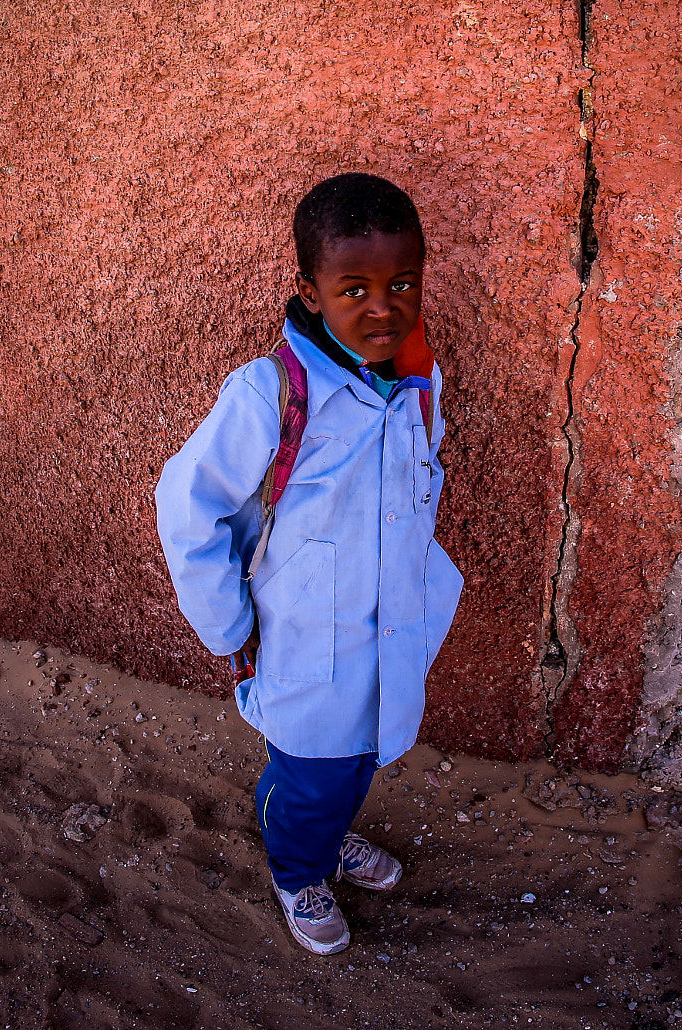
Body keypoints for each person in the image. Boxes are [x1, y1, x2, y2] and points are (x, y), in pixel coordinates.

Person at [155, 172, 464, 956]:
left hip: (390, 623)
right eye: (353, 288)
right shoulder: (272, 391)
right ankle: (299, 870)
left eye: (402, 283)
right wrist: (226, 624)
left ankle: (321, 835)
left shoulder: (419, 385)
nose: (382, 307)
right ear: (311, 291)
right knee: (314, 766)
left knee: (362, 753)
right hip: (306, 633)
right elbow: (189, 505)